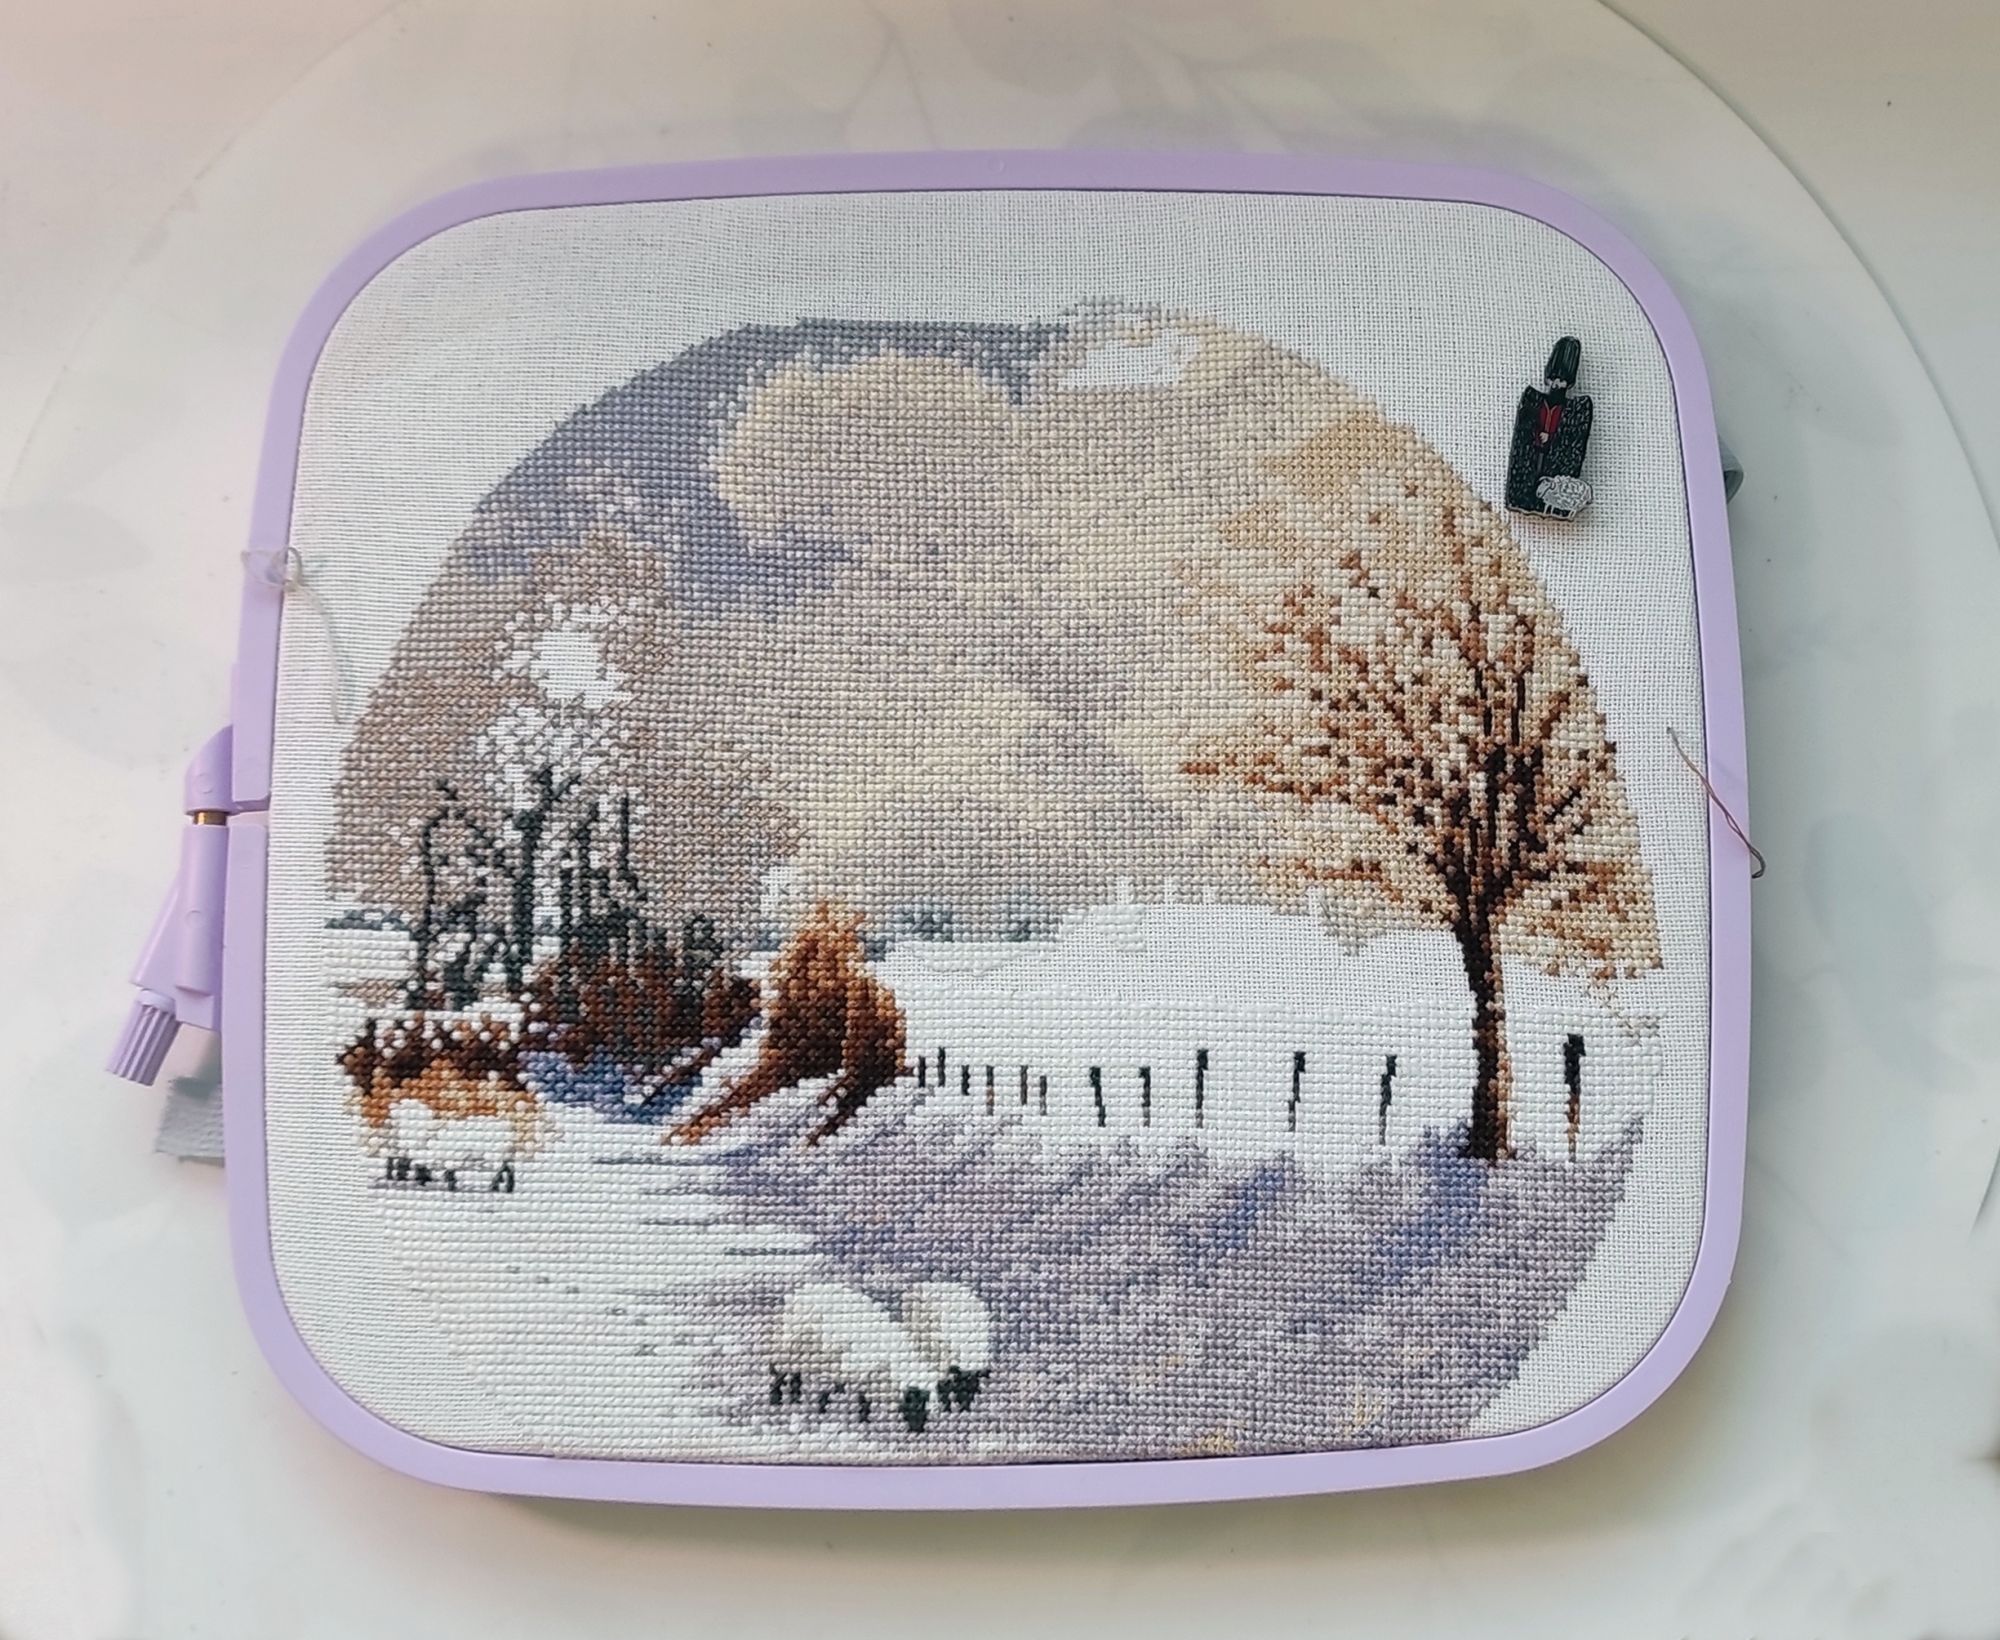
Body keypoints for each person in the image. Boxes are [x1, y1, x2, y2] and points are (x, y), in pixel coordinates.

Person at [1506, 335, 1595, 518]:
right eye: (1553, 379)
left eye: (1561, 381)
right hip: (1534, 450)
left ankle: (1547, 506)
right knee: (1534, 474)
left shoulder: (1573, 409)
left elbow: (1571, 437)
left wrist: (1552, 438)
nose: (1556, 385)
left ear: (1568, 383)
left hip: (1554, 455)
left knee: (1548, 479)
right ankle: (1527, 500)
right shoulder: (1535, 400)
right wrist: (1538, 435)